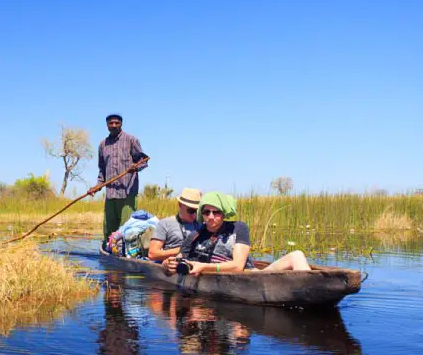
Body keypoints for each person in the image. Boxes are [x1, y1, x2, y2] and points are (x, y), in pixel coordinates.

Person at [162, 191, 311, 276]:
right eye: (207, 212)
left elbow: (238, 266)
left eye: (217, 212)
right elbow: (176, 260)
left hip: (251, 276)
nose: (211, 217)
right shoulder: (194, 235)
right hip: (224, 279)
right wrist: (167, 263)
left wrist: (203, 266)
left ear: (224, 214)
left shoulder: (238, 228)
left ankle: (308, 289)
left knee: (296, 255)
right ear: (202, 214)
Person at [89, 113, 148, 244]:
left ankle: (125, 255)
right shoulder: (103, 145)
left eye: (117, 123)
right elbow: (102, 171)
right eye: (111, 123)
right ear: (107, 125)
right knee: (109, 231)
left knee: (126, 230)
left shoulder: (131, 140)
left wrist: (136, 167)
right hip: (110, 195)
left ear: (121, 124)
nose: (114, 125)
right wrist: (97, 186)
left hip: (127, 193)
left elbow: (144, 161)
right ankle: (109, 257)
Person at [147, 188, 202, 262]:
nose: (194, 215)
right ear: (180, 205)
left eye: (197, 211)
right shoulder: (165, 223)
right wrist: (184, 249)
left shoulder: (202, 224)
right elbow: (152, 254)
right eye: (191, 211)